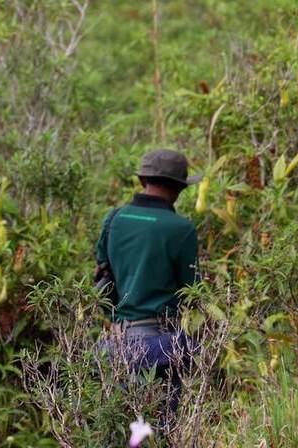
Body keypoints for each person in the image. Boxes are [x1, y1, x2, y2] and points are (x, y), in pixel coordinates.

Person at [94, 148, 201, 412]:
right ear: (179, 188)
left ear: (143, 181)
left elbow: (101, 275)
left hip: (115, 343)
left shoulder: (114, 219)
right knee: (160, 429)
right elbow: (192, 292)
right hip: (160, 345)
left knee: (120, 428)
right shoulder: (181, 229)